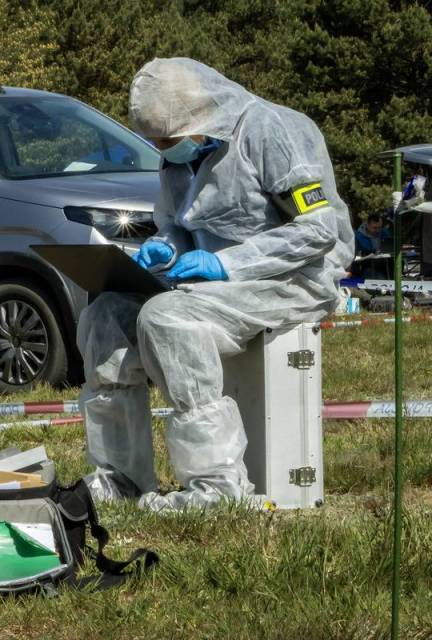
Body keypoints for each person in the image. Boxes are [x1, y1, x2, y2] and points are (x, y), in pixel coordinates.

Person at [77, 58, 354, 511]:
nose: (163, 149)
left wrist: (227, 263)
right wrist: (167, 246)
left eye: (168, 139)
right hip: (216, 286)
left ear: (199, 112)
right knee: (104, 317)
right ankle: (120, 479)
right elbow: (181, 223)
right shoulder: (181, 157)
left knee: (168, 319)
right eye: (156, 141)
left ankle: (217, 485)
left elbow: (318, 231)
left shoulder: (272, 131)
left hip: (294, 277)